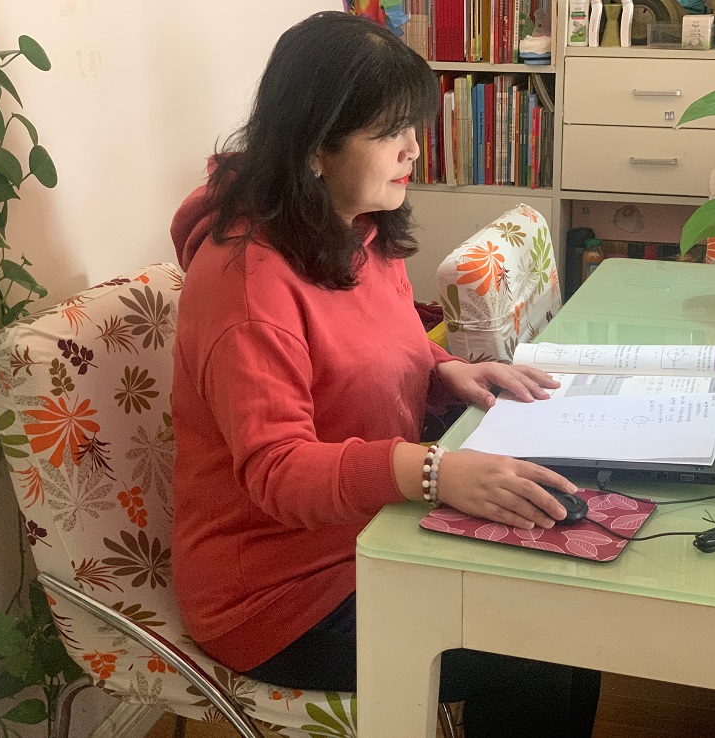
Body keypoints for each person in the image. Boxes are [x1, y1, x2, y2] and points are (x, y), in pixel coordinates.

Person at [170, 11, 600, 737]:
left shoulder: (357, 226)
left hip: (375, 531)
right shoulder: (247, 285)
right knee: (543, 651)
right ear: (316, 147)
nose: (414, 149)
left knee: (567, 599)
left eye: (413, 126)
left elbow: (378, 343)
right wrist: (433, 471)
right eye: (388, 132)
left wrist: (445, 370)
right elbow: (277, 469)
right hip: (281, 596)